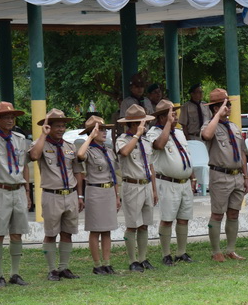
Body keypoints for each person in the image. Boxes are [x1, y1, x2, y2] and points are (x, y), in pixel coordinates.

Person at [0, 102, 31, 287]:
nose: (10, 120)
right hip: (0, 190)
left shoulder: (19, 138)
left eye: (12, 117)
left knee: (17, 233)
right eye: (5, 117)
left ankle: (15, 273)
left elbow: (24, 165)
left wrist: (27, 191)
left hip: (18, 190)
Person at [29, 109, 83, 281]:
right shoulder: (41, 144)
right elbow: (34, 156)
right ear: (48, 127)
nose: (61, 129)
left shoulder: (69, 146)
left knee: (67, 232)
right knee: (51, 233)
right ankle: (52, 269)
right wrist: (43, 135)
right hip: (52, 195)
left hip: (70, 194)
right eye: (57, 126)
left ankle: (64, 267)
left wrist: (80, 196)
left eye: (63, 126)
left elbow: (77, 171)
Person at [201, 88, 248, 262]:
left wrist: (246, 177)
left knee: (234, 213)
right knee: (217, 214)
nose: (229, 107)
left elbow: (242, 152)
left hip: (237, 175)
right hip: (220, 175)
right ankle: (216, 251)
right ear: (216, 108)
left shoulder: (234, 127)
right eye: (225, 105)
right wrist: (217, 115)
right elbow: (207, 135)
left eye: (229, 104)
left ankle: (231, 249)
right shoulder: (209, 125)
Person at [147, 99, 196, 265]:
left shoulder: (179, 133)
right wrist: (168, 124)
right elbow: (159, 145)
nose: (175, 116)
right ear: (162, 117)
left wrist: (193, 176)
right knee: (167, 219)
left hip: (184, 182)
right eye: (171, 113)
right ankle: (166, 254)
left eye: (175, 112)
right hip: (168, 182)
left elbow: (187, 155)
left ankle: (181, 252)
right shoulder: (154, 132)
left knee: (184, 218)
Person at [115, 104, 158, 272]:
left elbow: (151, 166)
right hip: (132, 185)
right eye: (142, 122)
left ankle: (143, 258)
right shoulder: (122, 139)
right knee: (132, 225)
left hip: (146, 185)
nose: (145, 125)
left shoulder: (146, 141)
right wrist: (137, 135)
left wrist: (154, 189)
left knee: (144, 224)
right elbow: (125, 152)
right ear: (133, 124)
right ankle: (132, 260)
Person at [77, 115, 120, 275]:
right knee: (95, 230)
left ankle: (107, 263)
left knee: (107, 229)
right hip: (95, 192)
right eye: (100, 130)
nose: (104, 132)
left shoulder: (108, 150)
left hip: (109, 191)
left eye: (104, 129)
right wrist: (90, 137)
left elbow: (114, 175)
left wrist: (117, 195)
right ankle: (97, 265)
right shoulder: (88, 149)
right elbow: (80, 155)